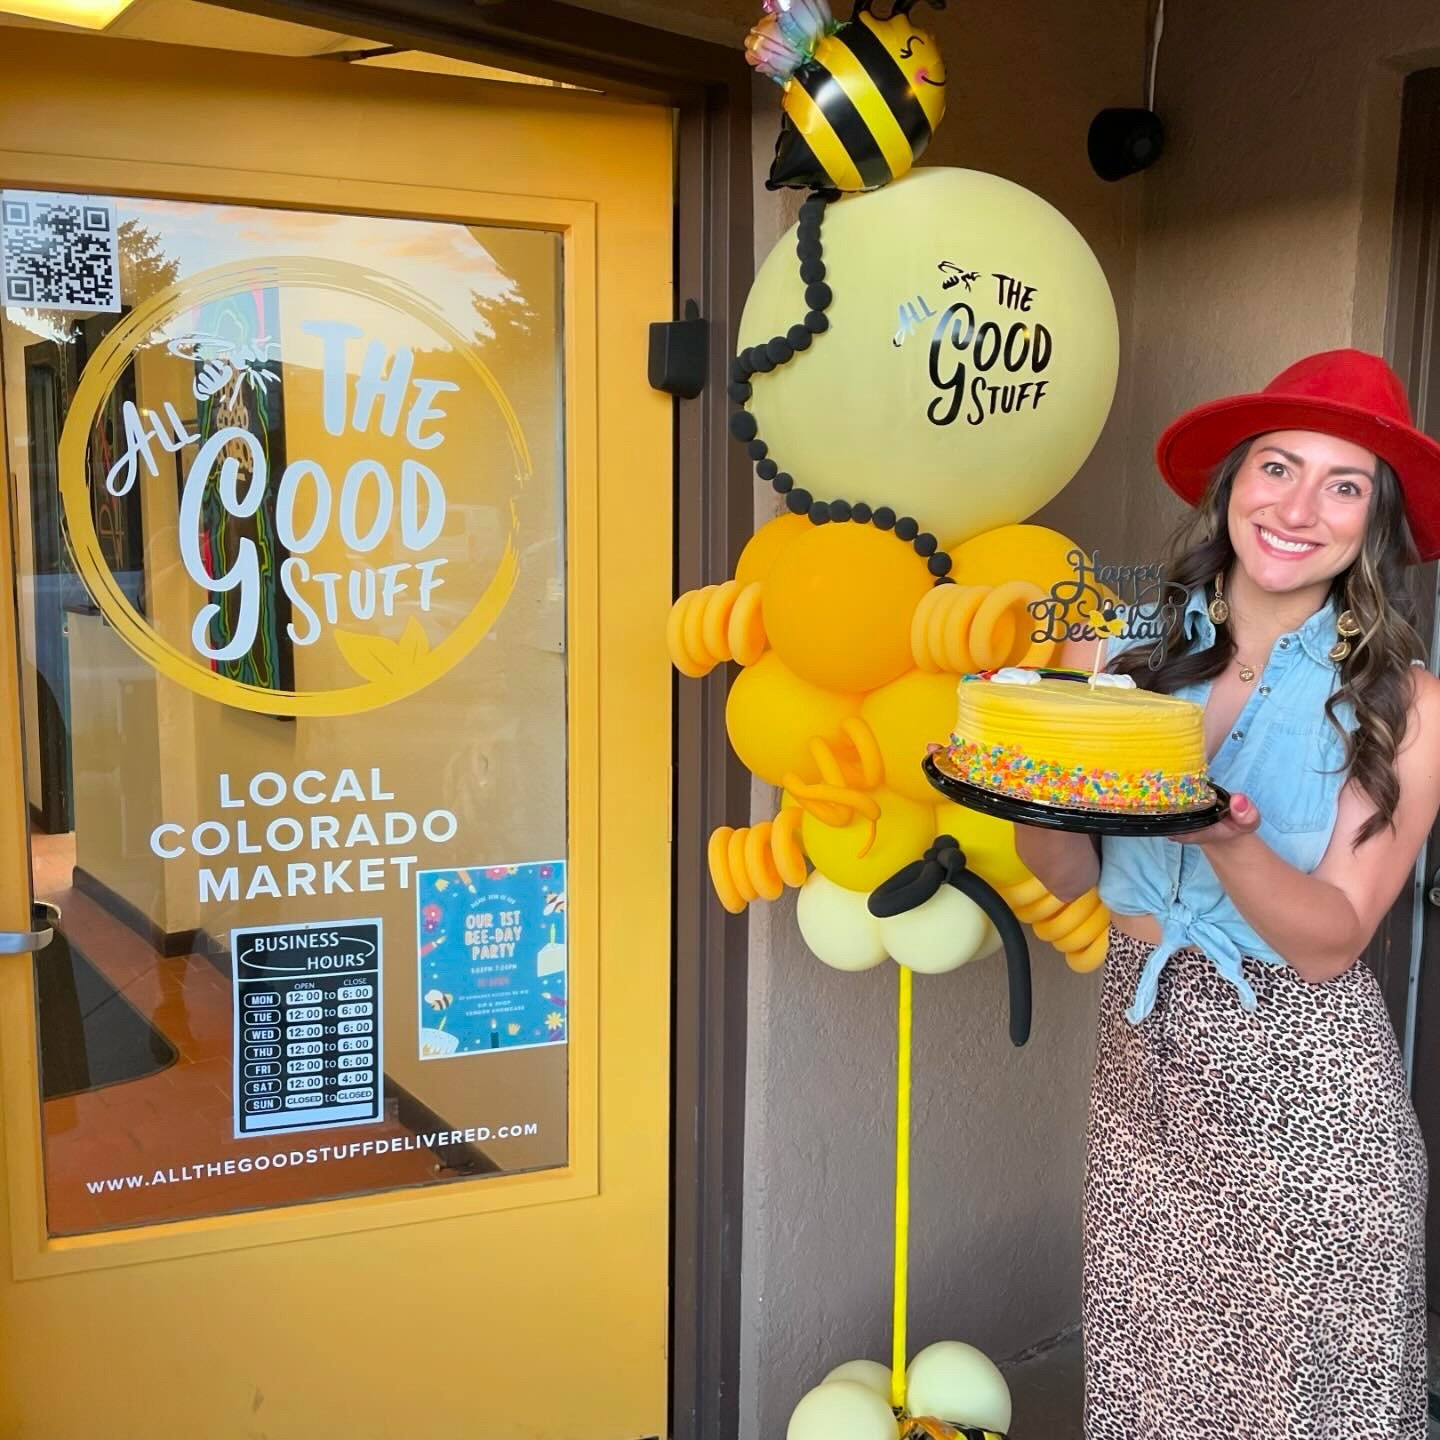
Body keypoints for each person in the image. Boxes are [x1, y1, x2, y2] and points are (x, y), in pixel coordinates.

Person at [1015, 350, 1440, 1439]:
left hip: (1309, 1101)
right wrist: (1032, 781)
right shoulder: (1114, 652)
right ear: (1232, 484)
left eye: (1343, 486)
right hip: (1144, 1084)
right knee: (1154, 1393)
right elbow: (1066, 873)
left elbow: (1331, 943)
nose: (1297, 509)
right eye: (1277, 467)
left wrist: (1226, 838)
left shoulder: (1406, 705)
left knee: (1302, 1410)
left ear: (1374, 522)